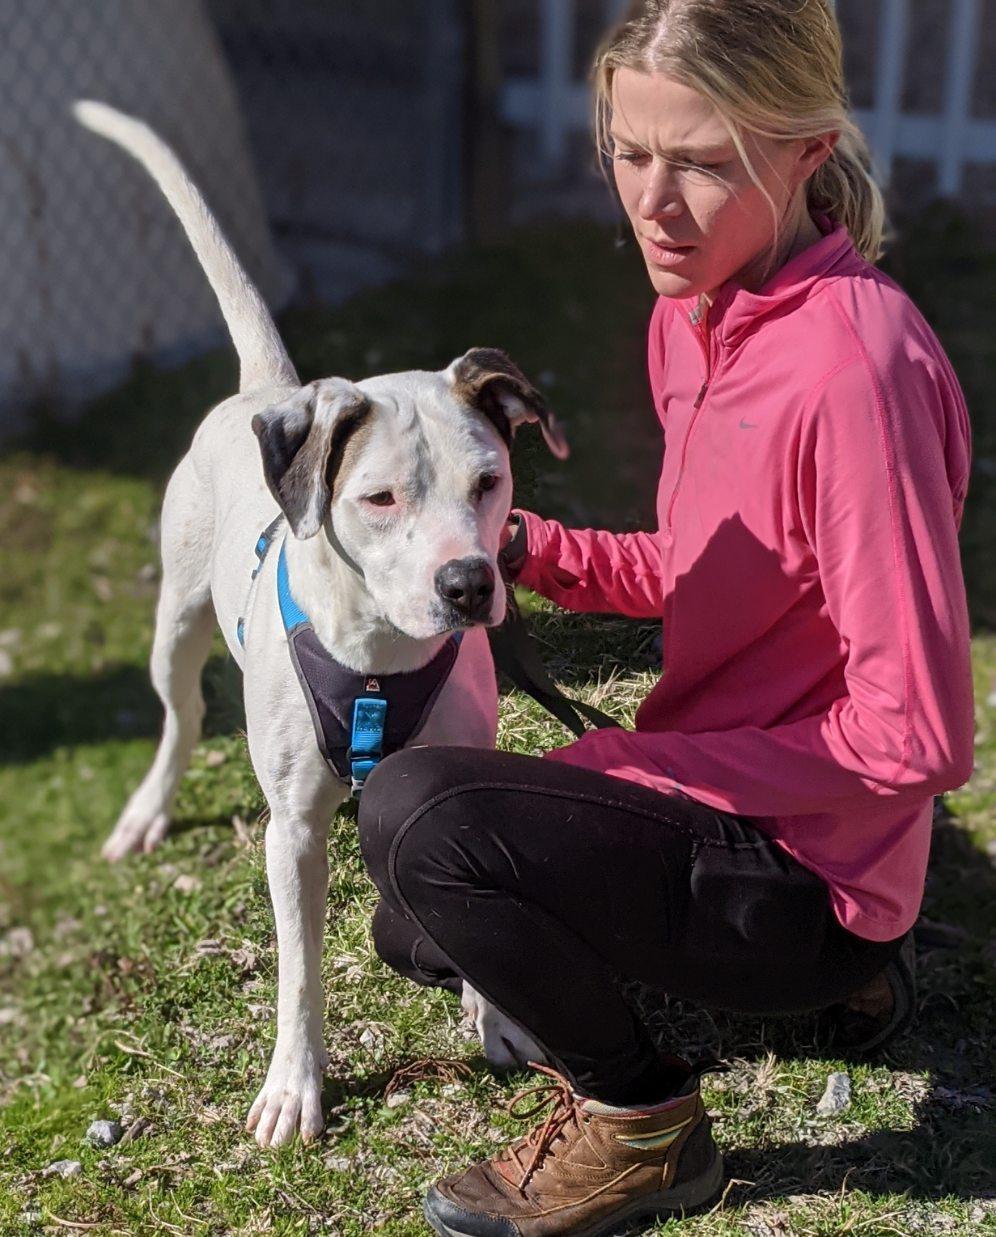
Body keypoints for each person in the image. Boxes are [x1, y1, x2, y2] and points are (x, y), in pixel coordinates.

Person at [357, 1, 975, 1232]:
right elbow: (716, 566)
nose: (653, 200)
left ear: (807, 153)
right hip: (745, 814)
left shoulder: (855, 372)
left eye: (700, 161)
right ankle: (800, 1004)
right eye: (629, 153)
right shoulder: (692, 314)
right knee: (413, 918)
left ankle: (647, 1125)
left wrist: (652, 765)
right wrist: (527, 549)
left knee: (421, 822)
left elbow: (920, 738)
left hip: (811, 878)